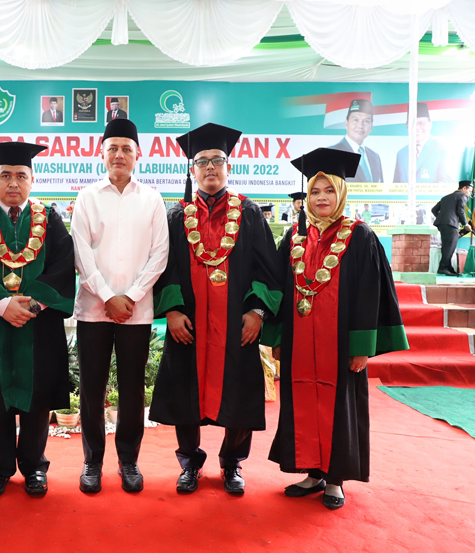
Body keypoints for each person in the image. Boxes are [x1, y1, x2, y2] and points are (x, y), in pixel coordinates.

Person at [269, 147, 409, 510]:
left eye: (328, 190)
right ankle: (313, 473)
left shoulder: (359, 237)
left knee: (338, 406)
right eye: (315, 191)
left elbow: (370, 293)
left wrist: (361, 346)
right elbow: (283, 293)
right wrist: (280, 339)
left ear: (341, 193)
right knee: (302, 402)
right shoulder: (294, 240)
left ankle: (335, 480)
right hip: (301, 345)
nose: (321, 198)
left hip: (340, 345)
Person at [150, 122, 281, 495]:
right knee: (183, 391)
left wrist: (257, 312)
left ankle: (232, 464)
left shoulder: (250, 214)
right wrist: (172, 310)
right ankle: (189, 463)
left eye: (217, 160)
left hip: (235, 325)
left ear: (229, 166)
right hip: (188, 324)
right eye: (202, 161)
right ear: (192, 169)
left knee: (239, 391)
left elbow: (267, 268)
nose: (210, 167)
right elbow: (165, 266)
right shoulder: (177, 217)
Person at [0, 141, 75, 498]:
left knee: (36, 401)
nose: (13, 183)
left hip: (38, 324)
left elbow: (63, 263)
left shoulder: (48, 216)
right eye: (5, 175)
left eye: (21, 175)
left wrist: (31, 305)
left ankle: (35, 467)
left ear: (32, 179)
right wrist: (2, 304)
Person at [71, 119, 169, 494]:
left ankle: (128, 460)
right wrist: (108, 295)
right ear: (102, 153)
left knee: (131, 389)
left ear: (138, 154)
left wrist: (130, 296)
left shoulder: (153, 199)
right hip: (94, 309)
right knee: (93, 389)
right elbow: (81, 253)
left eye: (127, 148)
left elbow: (159, 254)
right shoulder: (86, 197)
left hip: (136, 311)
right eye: (113, 148)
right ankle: (92, 461)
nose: (119, 155)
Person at [394, 103, 454, 184]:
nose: (417, 128)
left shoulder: (441, 149)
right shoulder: (401, 153)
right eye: (412, 123)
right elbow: (395, 186)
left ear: (430, 124)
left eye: (422, 123)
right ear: (407, 126)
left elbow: (447, 184)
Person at [328, 99, 383, 183]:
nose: (360, 125)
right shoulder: (332, 154)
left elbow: (381, 191)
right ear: (346, 123)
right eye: (356, 120)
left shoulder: (375, 157)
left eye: (366, 121)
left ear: (371, 126)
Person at [432, 180, 473, 276]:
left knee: (447, 246)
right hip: (451, 225)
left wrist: (443, 218)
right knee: (450, 247)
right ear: (464, 188)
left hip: (443, 225)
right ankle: (443, 268)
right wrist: (466, 224)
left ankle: (448, 268)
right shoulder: (463, 196)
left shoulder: (445, 197)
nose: (469, 193)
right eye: (470, 191)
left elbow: (434, 210)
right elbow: (461, 211)